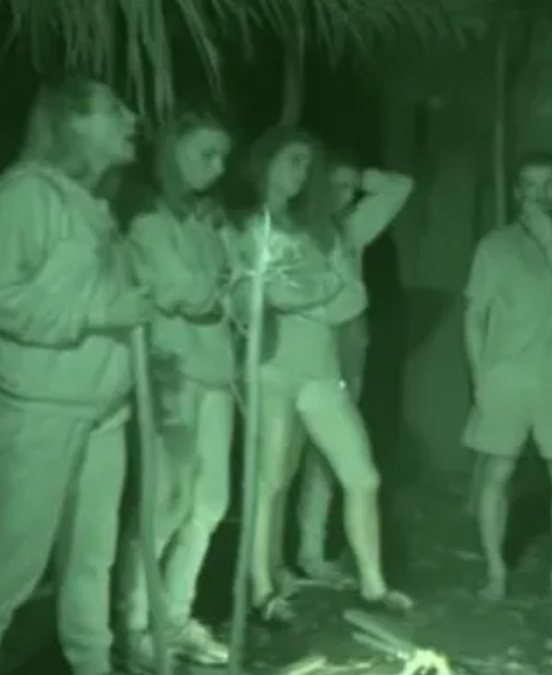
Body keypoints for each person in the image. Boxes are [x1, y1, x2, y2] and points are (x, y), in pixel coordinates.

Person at [0, 77, 148, 675]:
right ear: (72, 122)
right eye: (113, 109)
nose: (132, 119)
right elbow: (0, 297)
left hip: (104, 410)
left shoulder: (94, 204)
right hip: (41, 410)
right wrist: (101, 311)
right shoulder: (25, 195)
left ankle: (92, 665)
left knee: (91, 560)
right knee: (16, 564)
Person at [227, 127, 412, 626]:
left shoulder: (320, 230)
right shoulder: (247, 227)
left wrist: (301, 291)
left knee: (362, 475)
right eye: (294, 161)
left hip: (321, 371)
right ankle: (262, 588)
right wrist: (309, 290)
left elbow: (350, 297)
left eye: (308, 164)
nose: (303, 173)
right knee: (270, 480)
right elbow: (254, 301)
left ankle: (373, 585)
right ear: (266, 162)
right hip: (272, 369)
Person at [118, 110, 236, 668]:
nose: (218, 168)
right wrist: (223, 286)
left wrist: (226, 281)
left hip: (217, 372)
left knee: (210, 502)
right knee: (165, 503)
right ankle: (135, 625)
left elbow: (236, 289)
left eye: (223, 157)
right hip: (173, 375)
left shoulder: (207, 224)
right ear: (171, 153)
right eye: (205, 155)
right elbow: (188, 294)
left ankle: (176, 615)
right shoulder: (147, 222)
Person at [463, 151, 552, 604]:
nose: (540, 194)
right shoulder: (494, 246)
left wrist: (550, 244)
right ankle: (496, 573)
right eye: (530, 185)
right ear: (517, 193)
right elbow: (474, 316)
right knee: (496, 475)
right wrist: (480, 377)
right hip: (506, 378)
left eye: (549, 184)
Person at [293, 156, 414, 584]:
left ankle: (311, 551)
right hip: (297, 353)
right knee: (285, 457)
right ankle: (271, 563)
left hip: (346, 350)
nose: (341, 196)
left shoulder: (352, 229)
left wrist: (361, 176)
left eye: (348, 189)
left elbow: (400, 186)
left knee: (328, 456)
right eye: (332, 186)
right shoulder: (294, 230)